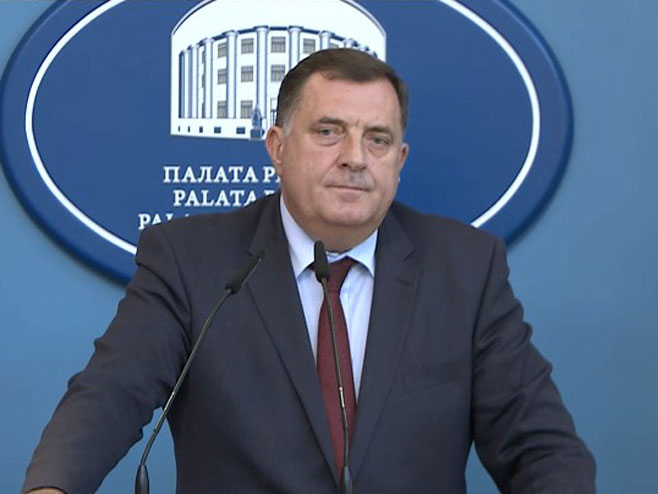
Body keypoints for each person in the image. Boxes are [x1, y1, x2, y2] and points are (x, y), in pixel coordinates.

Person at [24, 48, 595, 494]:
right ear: (277, 146)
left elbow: (538, 444)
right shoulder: (190, 258)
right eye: (328, 132)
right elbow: (111, 392)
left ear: (399, 161)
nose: (354, 157)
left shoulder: (464, 269)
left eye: (377, 139)